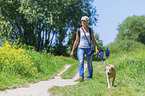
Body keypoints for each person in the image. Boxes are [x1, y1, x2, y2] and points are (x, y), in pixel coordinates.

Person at [70, 16, 99, 82]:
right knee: (81, 62)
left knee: (89, 64)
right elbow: (76, 40)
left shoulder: (90, 30)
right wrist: (72, 51)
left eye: (84, 20)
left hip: (89, 49)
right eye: (81, 20)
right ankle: (81, 77)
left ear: (87, 22)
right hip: (81, 48)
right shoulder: (79, 30)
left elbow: (93, 40)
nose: (82, 22)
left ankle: (89, 78)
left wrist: (96, 48)